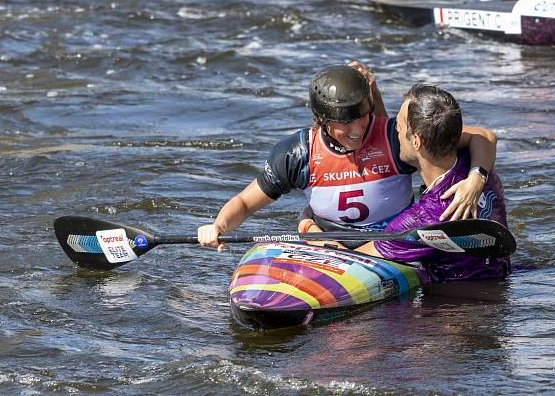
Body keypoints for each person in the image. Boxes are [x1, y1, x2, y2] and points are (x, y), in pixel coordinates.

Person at [198, 62, 497, 251]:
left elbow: (481, 137)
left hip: (392, 240)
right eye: (345, 123)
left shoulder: (397, 137)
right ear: (321, 120)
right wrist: (219, 226)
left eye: (362, 117)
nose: (357, 130)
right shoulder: (298, 153)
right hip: (324, 240)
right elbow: (245, 202)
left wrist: (476, 178)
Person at [315, 83, 511, 281]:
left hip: (455, 303)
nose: (394, 130)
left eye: (398, 125)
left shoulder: (422, 221)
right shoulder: (475, 163)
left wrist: (310, 228)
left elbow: (350, 262)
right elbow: (484, 137)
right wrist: (477, 178)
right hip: (500, 277)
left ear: (416, 141)